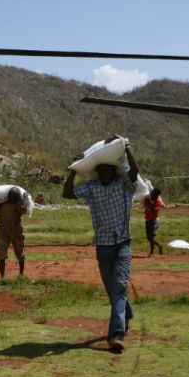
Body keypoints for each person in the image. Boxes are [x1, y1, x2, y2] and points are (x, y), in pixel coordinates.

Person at [63, 135, 139, 353]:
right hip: (103, 248)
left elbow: (134, 172)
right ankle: (127, 313)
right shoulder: (92, 187)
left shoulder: (124, 185)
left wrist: (127, 146)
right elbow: (67, 193)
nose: (105, 173)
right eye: (101, 171)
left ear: (114, 172)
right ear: (98, 172)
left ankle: (115, 335)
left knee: (119, 288)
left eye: (108, 170)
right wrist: (73, 170)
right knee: (113, 291)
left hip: (122, 246)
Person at [0, 187, 26, 279]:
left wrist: (24, 200)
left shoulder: (17, 205)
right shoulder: (1, 203)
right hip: (5, 232)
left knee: (20, 253)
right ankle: (3, 277)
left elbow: (24, 210)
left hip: (15, 231)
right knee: (1, 254)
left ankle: (21, 274)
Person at [143, 188, 165, 256]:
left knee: (151, 237)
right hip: (148, 220)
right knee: (148, 238)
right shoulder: (149, 199)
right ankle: (160, 246)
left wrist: (148, 203)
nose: (152, 194)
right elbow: (145, 203)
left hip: (154, 221)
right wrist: (147, 202)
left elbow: (153, 211)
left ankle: (152, 252)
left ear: (157, 195)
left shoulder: (157, 202)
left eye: (154, 193)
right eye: (152, 192)